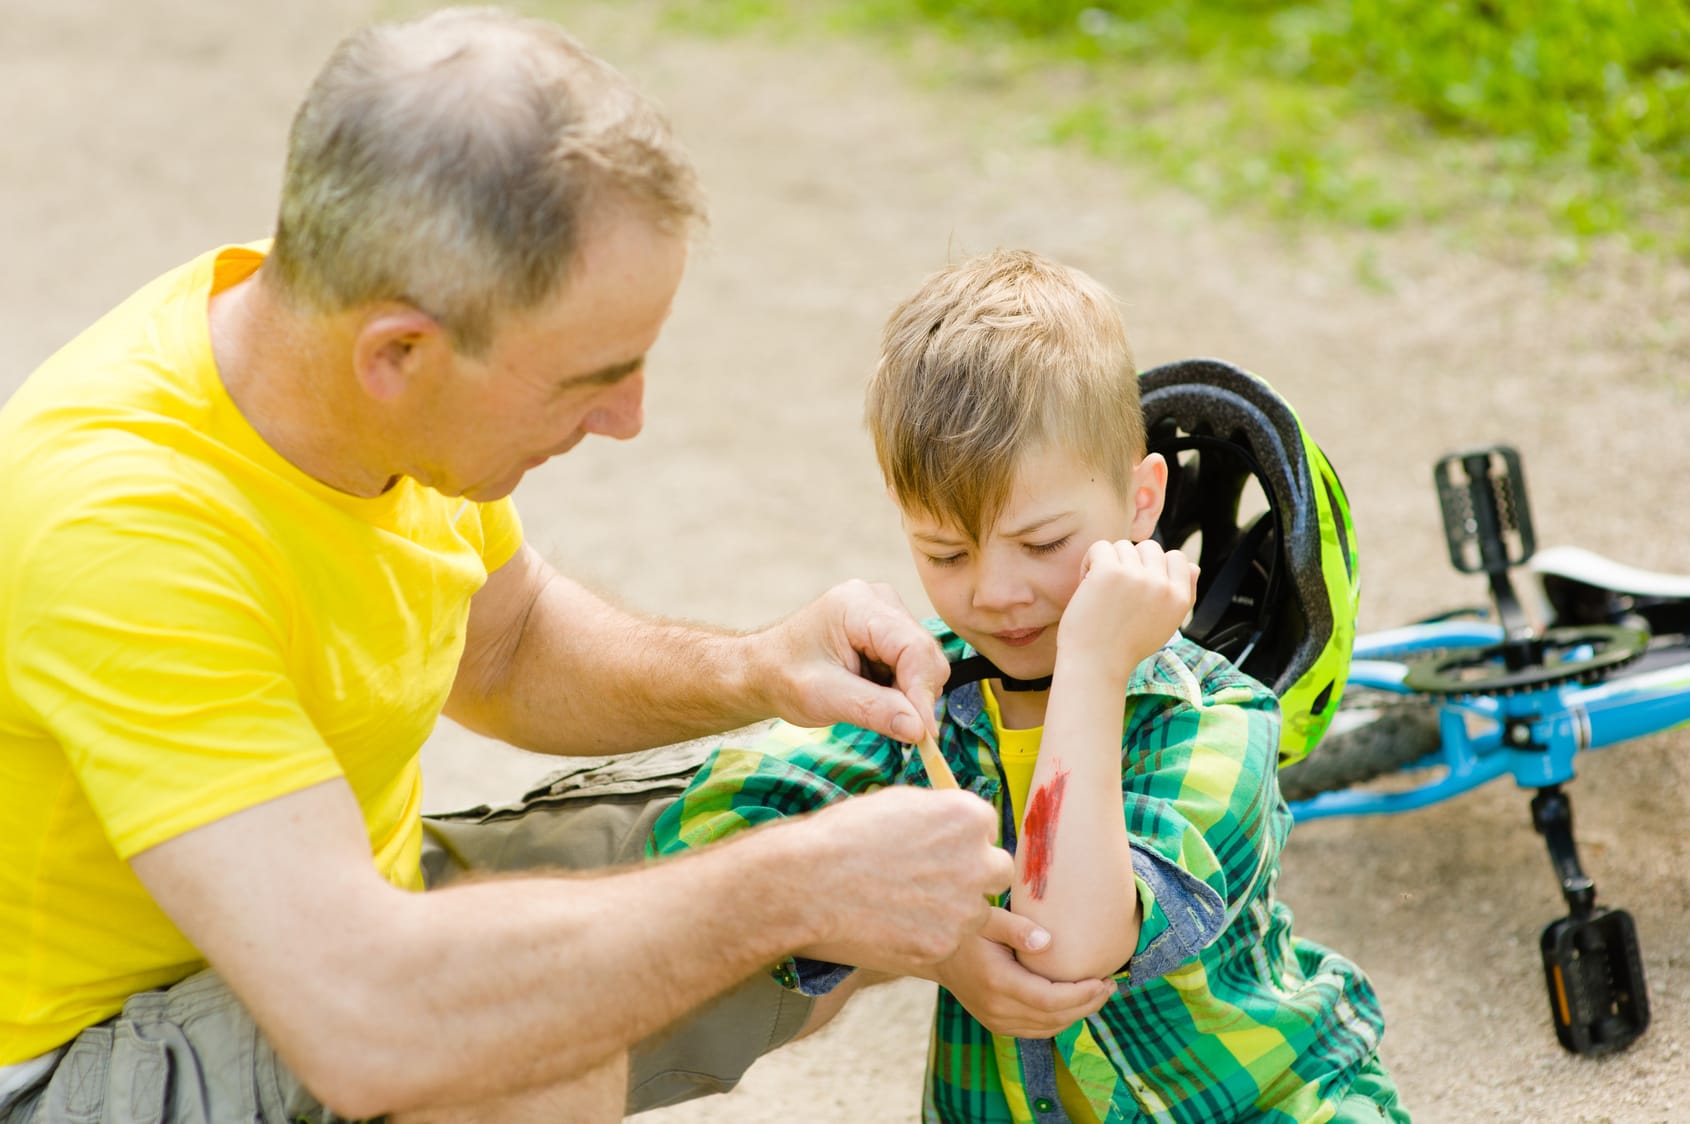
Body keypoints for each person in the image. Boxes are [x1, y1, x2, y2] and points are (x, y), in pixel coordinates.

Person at [0, 9, 1022, 1122]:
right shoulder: (126, 523)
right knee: (527, 1050)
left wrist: (760, 668)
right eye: (593, 375)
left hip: (325, 927)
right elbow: (369, 1020)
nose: (629, 418)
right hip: (70, 1058)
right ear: (399, 353)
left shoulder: (343, 350)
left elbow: (509, 639)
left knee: (785, 819)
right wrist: (791, 888)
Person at [649, 249, 1411, 1122]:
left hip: (1265, 1103)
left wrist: (1090, 664)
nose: (993, 593)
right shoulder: (925, 696)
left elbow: (1070, 947)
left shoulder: (1219, 717)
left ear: (1140, 501)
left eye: (1043, 543)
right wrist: (940, 948)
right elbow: (703, 838)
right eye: (945, 553)